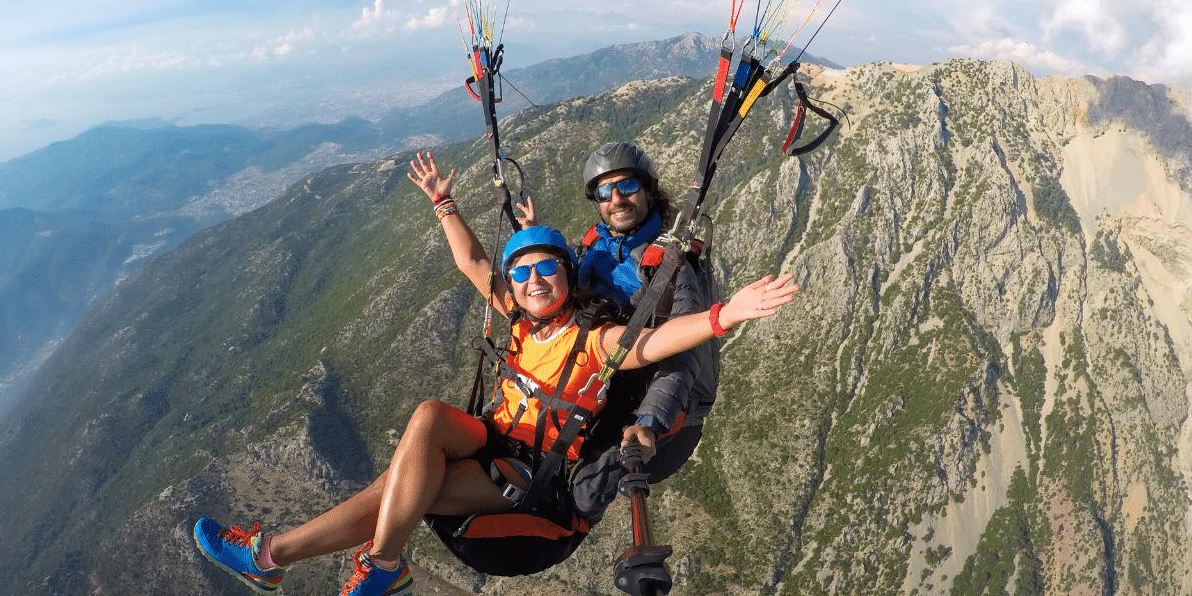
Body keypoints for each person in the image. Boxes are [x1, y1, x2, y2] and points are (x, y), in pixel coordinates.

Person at [192, 152, 798, 596]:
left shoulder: (592, 339)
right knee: (426, 422)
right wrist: (442, 201)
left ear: (568, 278)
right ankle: (298, 559)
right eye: (524, 273)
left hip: (533, 476)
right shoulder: (516, 316)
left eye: (547, 272)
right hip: (494, 437)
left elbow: (657, 343)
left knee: (399, 490)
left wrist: (723, 315)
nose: (534, 281)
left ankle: (326, 560)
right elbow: (473, 260)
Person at [518, 142, 719, 520]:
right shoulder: (596, 246)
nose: (616, 199)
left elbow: (685, 352)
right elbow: (564, 293)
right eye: (604, 192)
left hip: (657, 401)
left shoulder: (672, 265)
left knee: (583, 493)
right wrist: (534, 241)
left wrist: (647, 422)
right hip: (610, 376)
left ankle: (559, 528)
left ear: (647, 191)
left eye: (626, 187)